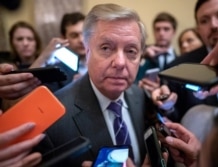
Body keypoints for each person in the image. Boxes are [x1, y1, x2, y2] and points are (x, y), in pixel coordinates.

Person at [35, 3, 155, 167]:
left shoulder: (139, 96)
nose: (120, 62)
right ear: (87, 49)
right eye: (106, 48)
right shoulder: (52, 119)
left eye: (131, 51)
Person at [152, 0, 218, 122]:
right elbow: (173, 117)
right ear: (198, 29)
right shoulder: (178, 68)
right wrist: (167, 107)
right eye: (204, 20)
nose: (214, 25)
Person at [136, 12, 178, 96]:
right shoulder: (142, 53)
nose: (161, 33)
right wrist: (142, 56)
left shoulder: (180, 59)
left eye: (166, 29)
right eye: (157, 29)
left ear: (174, 32)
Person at [60, 12, 87, 78]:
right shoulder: (57, 69)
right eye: (74, 35)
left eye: (85, 34)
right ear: (64, 38)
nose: (81, 40)